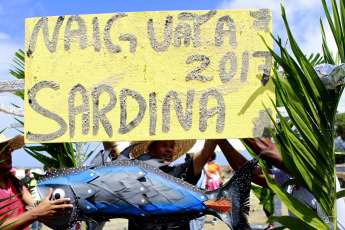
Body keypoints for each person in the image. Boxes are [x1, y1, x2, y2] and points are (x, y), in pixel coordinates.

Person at [217, 138, 345, 229]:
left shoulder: (318, 173)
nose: (287, 153)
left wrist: (230, 125)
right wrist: (221, 139)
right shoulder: (288, 177)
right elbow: (247, 171)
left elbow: (265, 149)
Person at [105, 139, 217, 230]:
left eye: (172, 146)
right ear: (151, 149)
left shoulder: (182, 173)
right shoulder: (135, 174)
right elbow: (113, 151)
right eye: (164, 145)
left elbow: (206, 152)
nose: (169, 149)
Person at [0, 134, 74, 230]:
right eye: (2, 148)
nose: (9, 152)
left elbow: (36, 205)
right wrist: (36, 213)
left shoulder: (15, 182)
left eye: (9, 148)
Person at [203, 153, 224, 225]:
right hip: (208, 184)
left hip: (216, 183)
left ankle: (215, 218)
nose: (210, 157)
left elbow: (221, 174)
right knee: (207, 201)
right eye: (209, 155)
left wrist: (222, 181)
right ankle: (203, 216)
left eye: (211, 155)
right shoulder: (203, 165)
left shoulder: (216, 164)